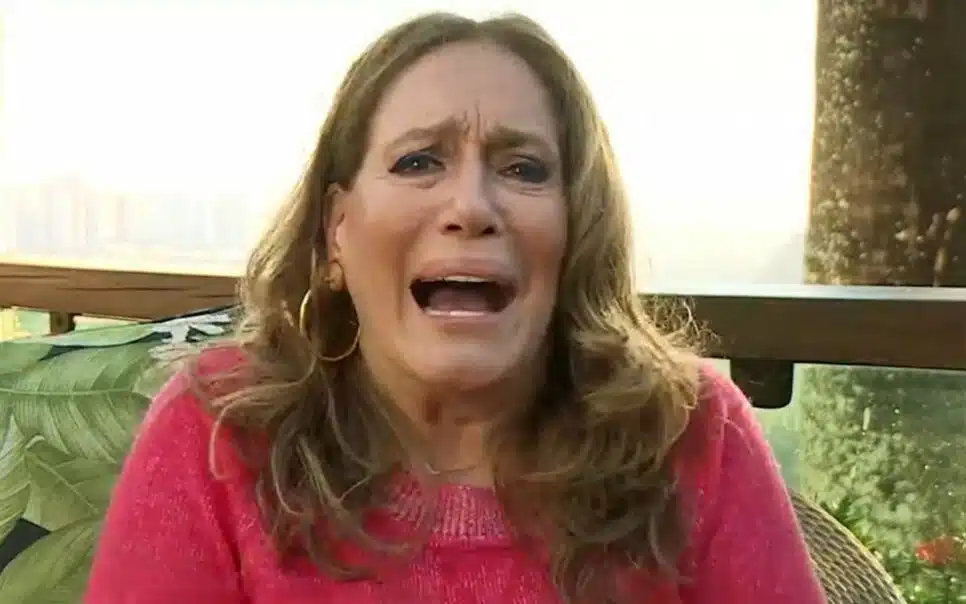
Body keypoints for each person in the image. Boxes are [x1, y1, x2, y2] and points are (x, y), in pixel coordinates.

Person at [84, 11, 826, 604]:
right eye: (418, 161)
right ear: (337, 229)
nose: (471, 206)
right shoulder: (219, 433)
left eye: (523, 169)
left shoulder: (692, 433)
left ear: (576, 232)